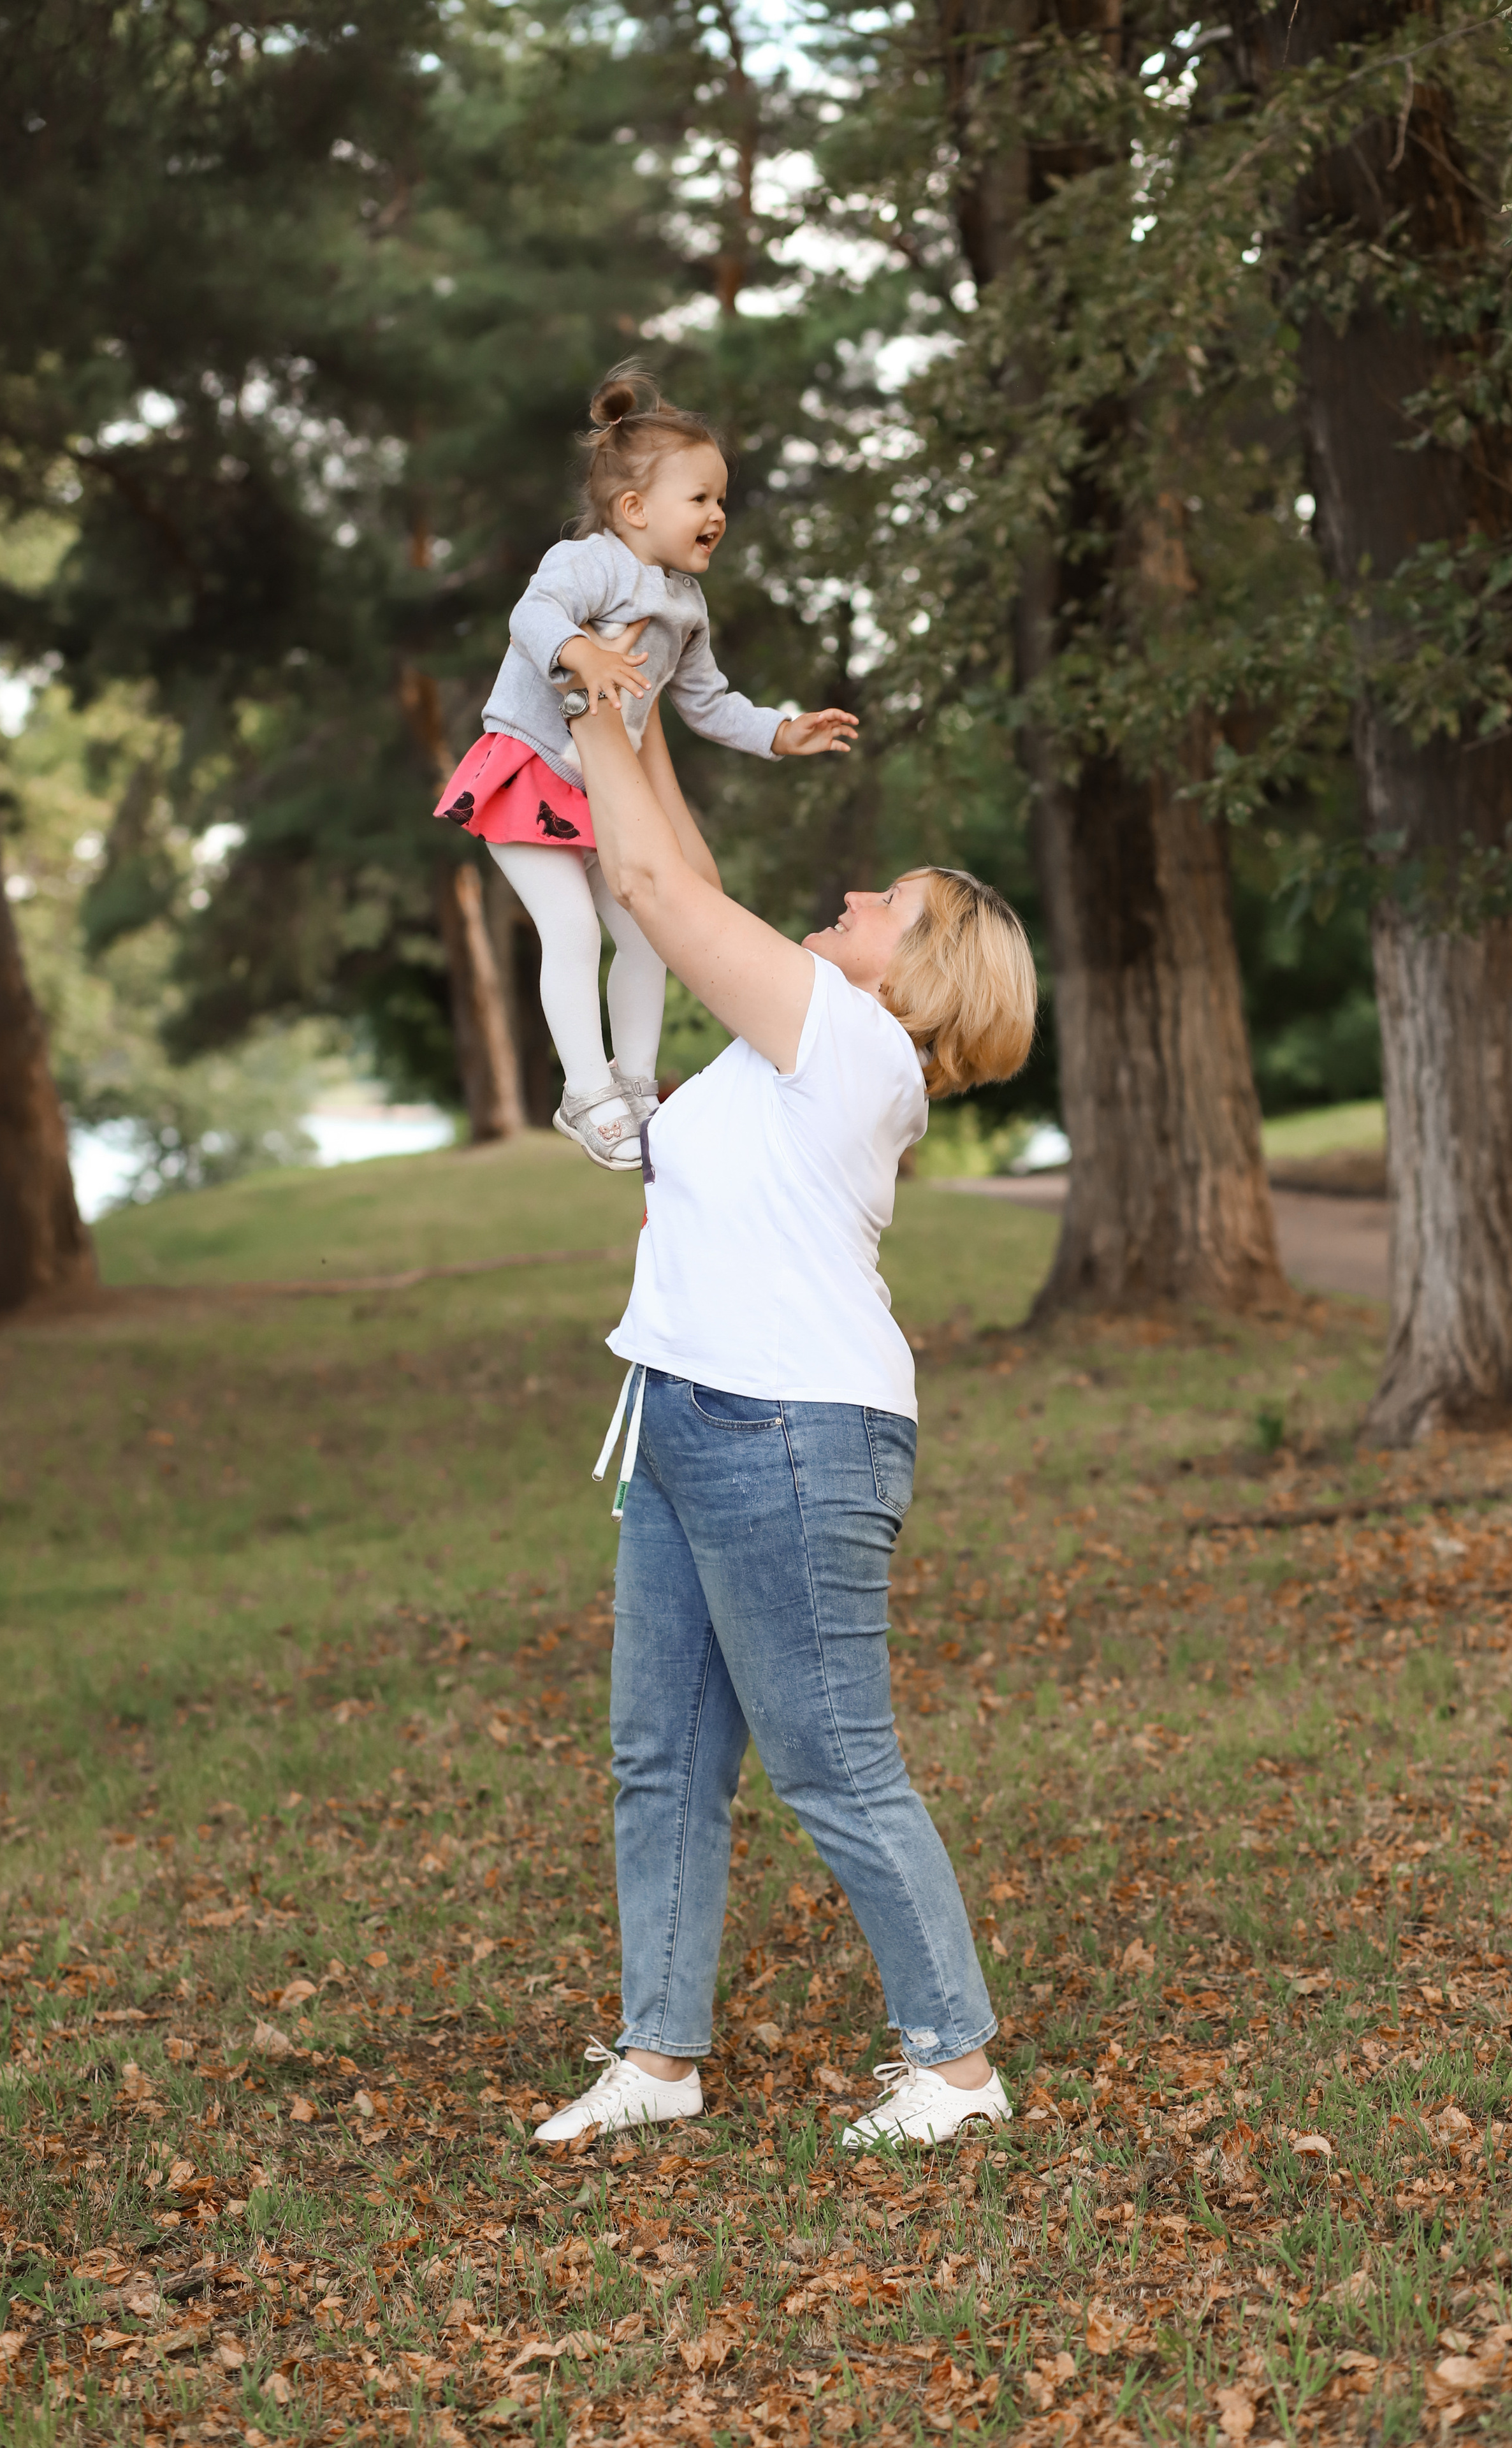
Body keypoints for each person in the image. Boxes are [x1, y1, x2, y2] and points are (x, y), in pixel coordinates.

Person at [529, 688, 1039, 2150]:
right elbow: (675, 861)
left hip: (793, 1433)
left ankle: (954, 2069)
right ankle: (659, 2054)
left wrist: (597, 704)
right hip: (687, 1415)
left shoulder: (850, 1046)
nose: (857, 893)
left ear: (919, 965)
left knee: (832, 1758)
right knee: (659, 1754)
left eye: (895, 900)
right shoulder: (789, 1036)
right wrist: (623, 721)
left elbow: (648, 884)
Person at [433, 364, 857, 1170]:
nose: (718, 515)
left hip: (597, 792)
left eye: (721, 500)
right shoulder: (590, 563)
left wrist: (780, 732)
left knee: (647, 936)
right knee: (572, 928)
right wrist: (582, 652)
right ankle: (584, 1092)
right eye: (700, 499)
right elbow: (531, 614)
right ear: (634, 509)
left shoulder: (685, 608)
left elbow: (708, 704)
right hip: (527, 771)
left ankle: (633, 1084)